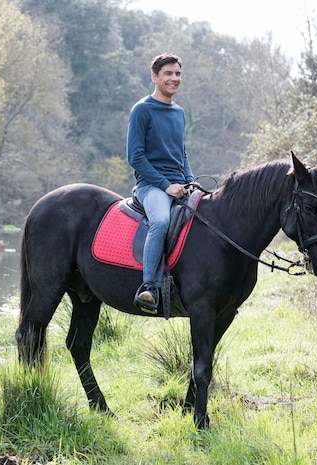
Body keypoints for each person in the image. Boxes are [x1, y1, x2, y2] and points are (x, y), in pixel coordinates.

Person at [127, 53, 194, 314]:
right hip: (151, 187)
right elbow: (136, 157)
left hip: (179, 184)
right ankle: (149, 287)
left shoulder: (179, 113)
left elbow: (182, 152)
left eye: (177, 74)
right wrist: (166, 185)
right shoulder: (142, 110)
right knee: (162, 221)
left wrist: (189, 180)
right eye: (168, 73)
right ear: (155, 77)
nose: (174, 78)